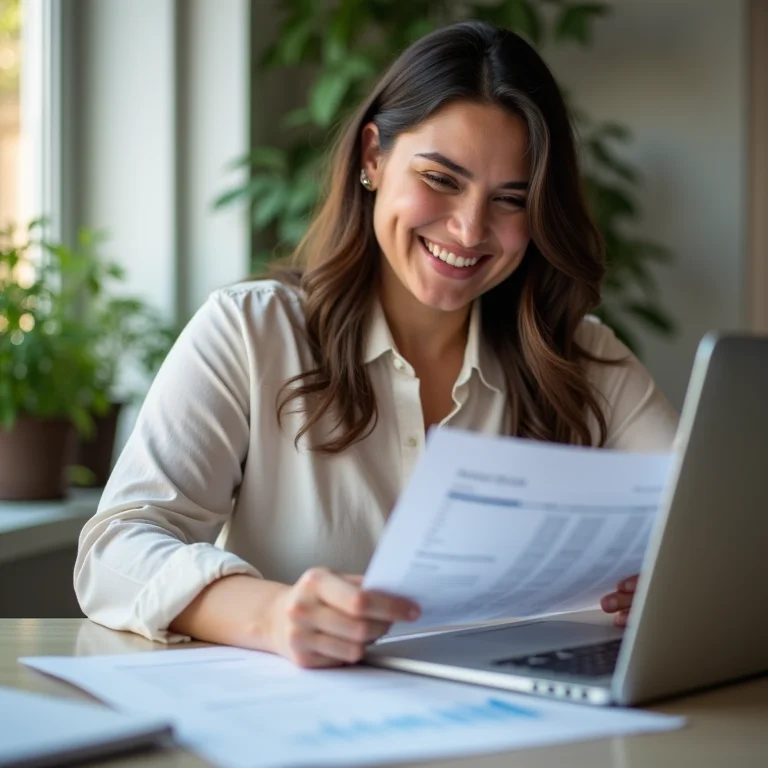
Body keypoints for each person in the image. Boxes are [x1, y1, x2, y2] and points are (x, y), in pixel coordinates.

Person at [74, 21, 678, 668]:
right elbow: (113, 553)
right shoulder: (250, 333)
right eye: (441, 179)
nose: (469, 229)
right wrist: (271, 614)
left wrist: (674, 580)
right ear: (373, 158)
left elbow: (710, 529)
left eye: (511, 199)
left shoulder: (581, 359)